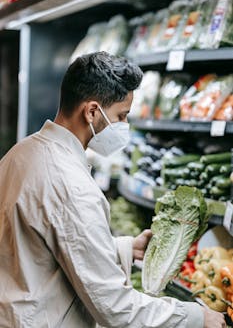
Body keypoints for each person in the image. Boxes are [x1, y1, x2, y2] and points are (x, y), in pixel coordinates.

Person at [0, 51, 226, 328]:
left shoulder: (20, 153)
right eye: (121, 116)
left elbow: (38, 246)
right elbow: (116, 308)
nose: (125, 127)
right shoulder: (71, 185)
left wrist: (126, 248)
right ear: (92, 111)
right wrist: (195, 316)